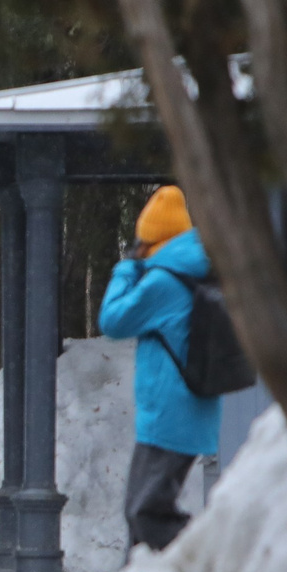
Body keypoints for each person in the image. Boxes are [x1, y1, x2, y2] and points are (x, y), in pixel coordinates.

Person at [99, 185, 222, 553]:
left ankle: (211, 556)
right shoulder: (194, 270)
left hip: (169, 413)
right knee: (140, 515)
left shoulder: (164, 281)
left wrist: (126, 268)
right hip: (182, 408)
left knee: (145, 514)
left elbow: (113, 320)